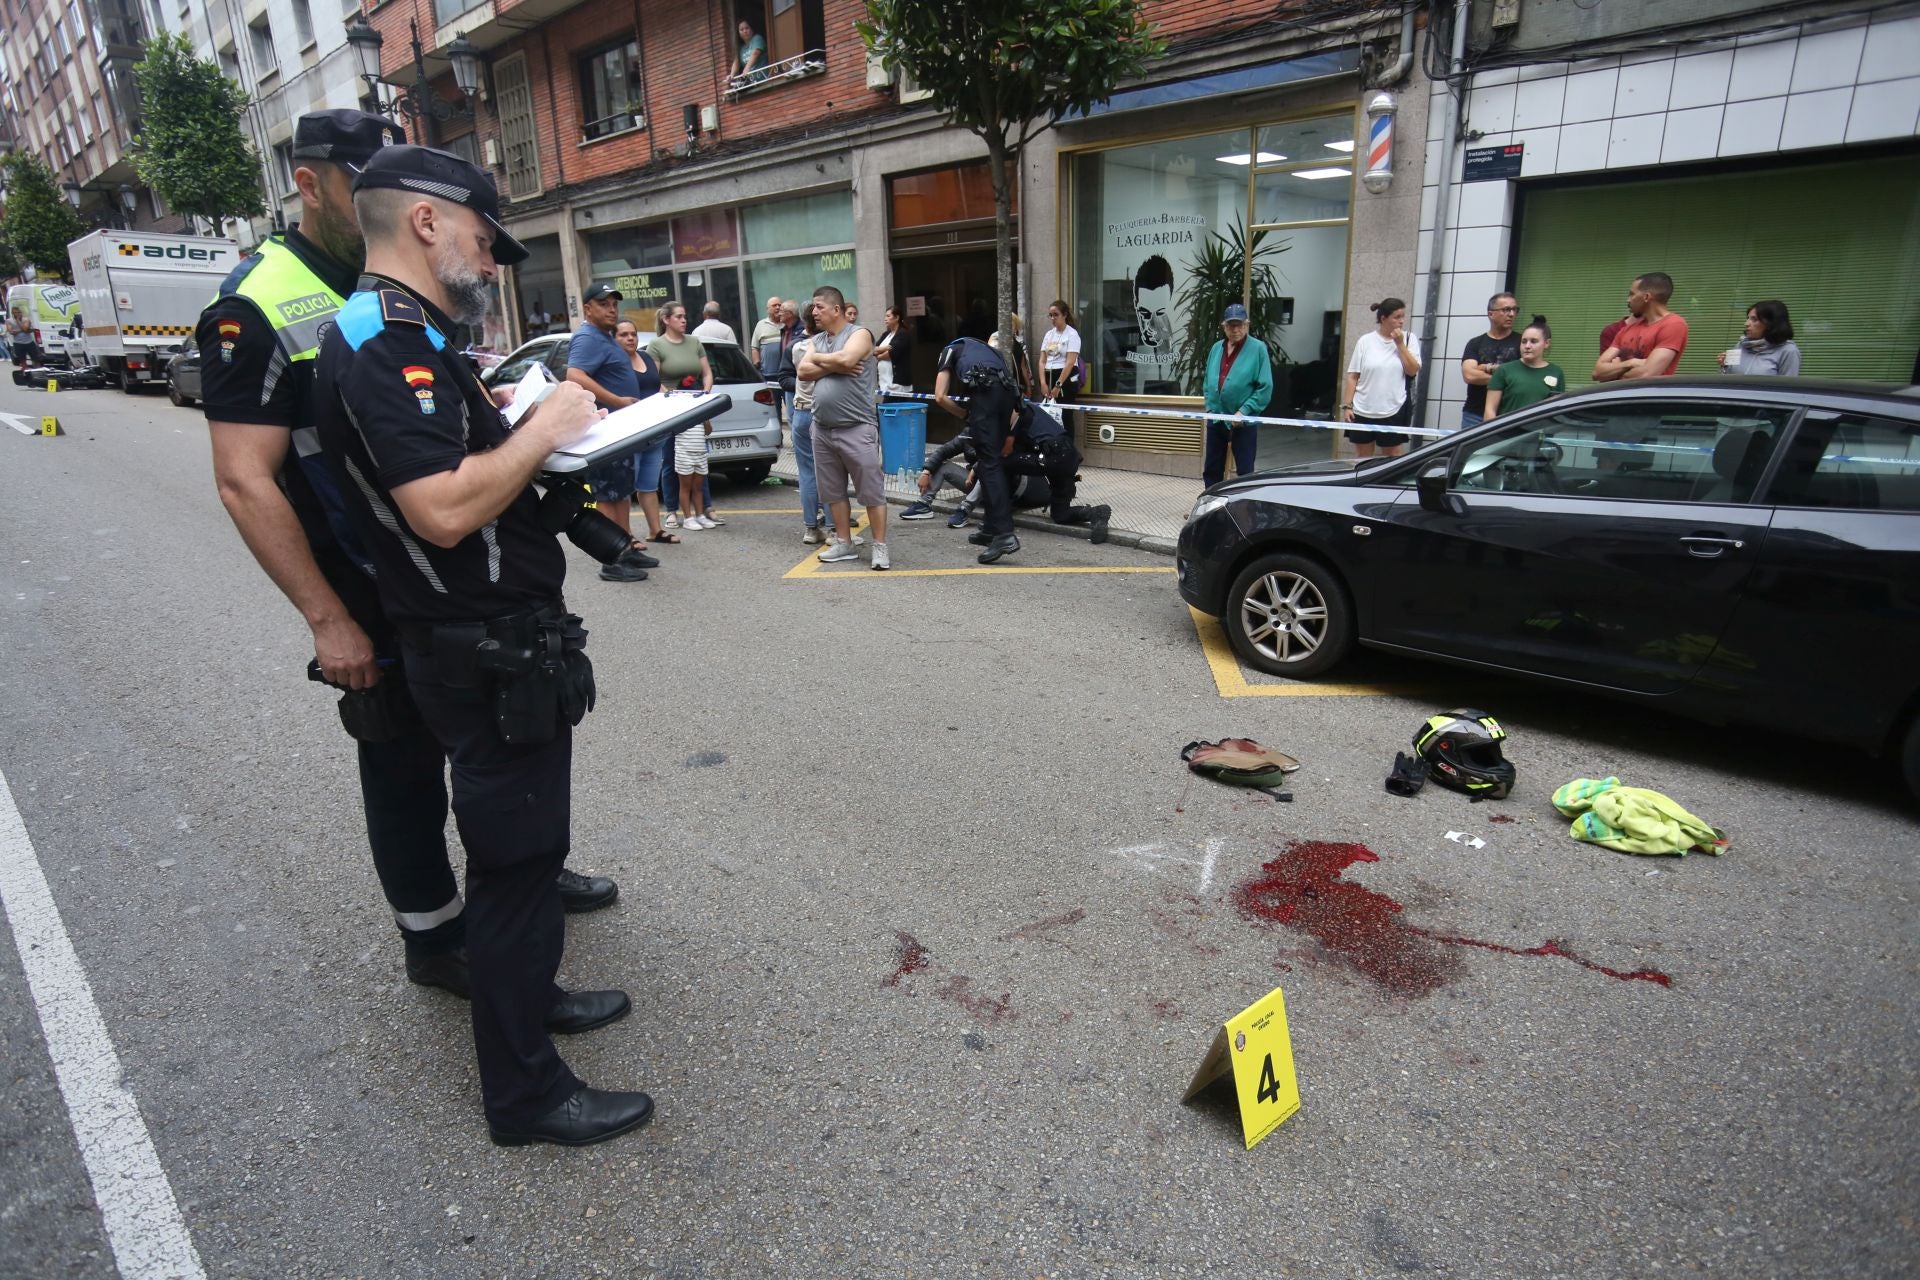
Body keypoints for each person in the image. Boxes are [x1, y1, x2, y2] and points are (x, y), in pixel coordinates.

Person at [200, 112, 618, 1013]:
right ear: (312, 182)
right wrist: (327, 618)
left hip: (443, 575)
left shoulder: (395, 290)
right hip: (366, 577)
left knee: (495, 760)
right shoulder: (259, 301)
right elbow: (244, 479)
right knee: (403, 769)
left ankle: (522, 878)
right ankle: (437, 939)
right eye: (360, 175)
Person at [312, 143, 652, 1148]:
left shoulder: (404, 333)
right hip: (482, 646)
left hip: (491, 635)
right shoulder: (386, 341)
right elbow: (443, 509)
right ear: (425, 222)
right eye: (480, 235)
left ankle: (532, 998)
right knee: (516, 866)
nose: (490, 259)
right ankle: (526, 1094)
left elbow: (447, 469)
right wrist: (544, 426)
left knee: (527, 858)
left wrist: (506, 422)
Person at [564, 283, 659, 583]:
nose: (612, 309)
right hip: (604, 430)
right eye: (603, 304)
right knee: (606, 495)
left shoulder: (604, 337)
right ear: (588, 308)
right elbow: (574, 375)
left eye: (614, 304)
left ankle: (625, 547)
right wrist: (616, 400)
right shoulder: (587, 337)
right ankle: (610, 559)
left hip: (619, 430)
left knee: (620, 493)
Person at [800, 285, 889, 570]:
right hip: (822, 429)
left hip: (857, 427)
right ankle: (844, 543)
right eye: (813, 307)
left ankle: (879, 547)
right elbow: (802, 371)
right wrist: (834, 364)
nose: (814, 312)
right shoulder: (817, 339)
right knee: (832, 492)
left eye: (819, 307)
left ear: (836, 309)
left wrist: (820, 359)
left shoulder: (859, 334)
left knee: (872, 491)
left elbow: (848, 359)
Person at [932, 335, 1020, 563]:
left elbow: (940, 396)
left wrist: (965, 414)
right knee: (991, 461)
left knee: (989, 466)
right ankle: (990, 528)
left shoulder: (950, 349)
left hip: (985, 396)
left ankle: (1004, 534)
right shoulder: (991, 352)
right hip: (1007, 398)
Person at [649, 299, 716, 528]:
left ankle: (704, 508)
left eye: (685, 316)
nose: (684, 320)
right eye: (678, 316)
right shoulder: (656, 345)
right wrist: (673, 398)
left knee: (699, 457)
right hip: (670, 409)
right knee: (670, 459)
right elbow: (654, 379)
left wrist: (705, 394)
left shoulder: (694, 342)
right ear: (666, 319)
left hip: (694, 407)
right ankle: (671, 510)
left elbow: (706, 373)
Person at [613, 318, 674, 545]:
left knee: (649, 484)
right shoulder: (614, 364)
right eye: (623, 335)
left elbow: (657, 385)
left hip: (654, 430)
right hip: (629, 432)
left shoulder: (646, 357)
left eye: (633, 334)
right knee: (625, 488)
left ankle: (655, 531)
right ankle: (626, 535)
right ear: (613, 339)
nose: (630, 338)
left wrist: (672, 399)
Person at [1201, 303, 1273, 489]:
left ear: (1247, 325)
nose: (1235, 329)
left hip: (1243, 421)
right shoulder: (1216, 348)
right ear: (1224, 326)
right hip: (1217, 418)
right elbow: (1207, 380)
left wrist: (1244, 411)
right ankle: (1212, 502)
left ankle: (1244, 504)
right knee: (1212, 469)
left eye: (1239, 325)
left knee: (1245, 471)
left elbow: (1265, 387)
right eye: (1231, 325)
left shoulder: (1258, 348)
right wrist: (1210, 405)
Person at [779, 300, 833, 541]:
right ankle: (834, 529)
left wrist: (802, 385)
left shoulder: (795, 346)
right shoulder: (830, 345)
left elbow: (784, 378)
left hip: (801, 412)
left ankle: (811, 528)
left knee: (807, 472)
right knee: (830, 472)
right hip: (824, 413)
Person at [1342, 297, 1421, 458]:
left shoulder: (1408, 339)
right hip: (1363, 409)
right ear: (1383, 319)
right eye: (1397, 317)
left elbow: (1412, 371)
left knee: (1393, 455)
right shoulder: (1365, 341)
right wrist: (1347, 406)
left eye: (1403, 316)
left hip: (1394, 408)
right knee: (1363, 457)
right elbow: (1353, 376)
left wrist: (1400, 344)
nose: (1401, 321)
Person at [1593, 272, 1688, 381]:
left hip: (1647, 392)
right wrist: (1630, 363)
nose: (1628, 300)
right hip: (1621, 392)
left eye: (1632, 294)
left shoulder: (1673, 324)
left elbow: (1646, 374)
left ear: (1646, 297)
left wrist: (1615, 370)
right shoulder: (1627, 329)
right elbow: (1597, 372)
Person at [1458, 292, 1521, 430]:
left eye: (1514, 309)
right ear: (1491, 314)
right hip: (1475, 414)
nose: (1511, 314)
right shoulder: (1475, 343)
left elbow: (1521, 377)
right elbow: (1469, 375)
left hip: (1510, 414)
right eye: (1506, 309)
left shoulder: (1522, 342)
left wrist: (1484, 368)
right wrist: (1505, 378)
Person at [1484, 315, 1565, 419]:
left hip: (1542, 429)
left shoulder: (1556, 372)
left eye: (1533, 341)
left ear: (1546, 343)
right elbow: (1490, 410)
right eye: (1524, 341)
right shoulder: (1504, 370)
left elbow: (1557, 411)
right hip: (1510, 428)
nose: (1527, 346)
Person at [1719, 299, 1801, 376]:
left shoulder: (1788, 351)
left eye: (1754, 319)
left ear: (1770, 323)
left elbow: (1788, 385)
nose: (1746, 324)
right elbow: (1727, 380)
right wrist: (1724, 366)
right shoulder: (1741, 344)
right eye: (1748, 318)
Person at [1037, 300, 1083, 403]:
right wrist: (1043, 383)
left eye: (1056, 315)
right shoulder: (1049, 334)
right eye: (1050, 315)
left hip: (1065, 376)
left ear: (1064, 315)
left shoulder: (1072, 334)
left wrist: (1058, 385)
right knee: (1047, 409)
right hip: (1049, 374)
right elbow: (1042, 361)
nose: (1053, 318)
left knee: (1064, 410)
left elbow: (1070, 362)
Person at [876, 305, 914, 392]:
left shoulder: (903, 334)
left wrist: (879, 356)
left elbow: (891, 353)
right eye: (885, 316)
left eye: (888, 316)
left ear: (897, 317)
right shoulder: (886, 334)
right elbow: (873, 350)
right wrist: (885, 348)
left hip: (897, 383)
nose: (885, 319)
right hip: (884, 381)